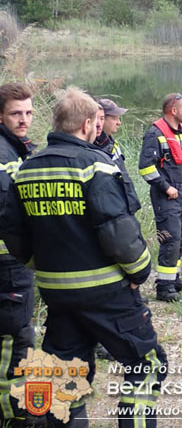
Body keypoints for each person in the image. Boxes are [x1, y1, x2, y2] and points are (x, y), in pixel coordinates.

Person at [0, 86, 166, 428]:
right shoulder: (96, 166)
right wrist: (139, 272)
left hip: (57, 294)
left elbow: (14, 235)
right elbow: (118, 233)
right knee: (148, 365)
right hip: (106, 291)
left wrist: (42, 267)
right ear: (89, 124)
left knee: (64, 378)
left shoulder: (28, 168)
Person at [0, 82, 38, 427]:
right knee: (15, 337)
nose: (24, 120)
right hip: (8, 263)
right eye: (16, 113)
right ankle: (14, 414)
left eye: (28, 112)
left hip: (12, 261)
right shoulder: (3, 155)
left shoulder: (16, 148)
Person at [139, 93, 182, 302]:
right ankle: (164, 287)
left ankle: (174, 279)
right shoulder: (155, 134)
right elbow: (146, 168)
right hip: (167, 198)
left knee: (181, 239)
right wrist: (166, 188)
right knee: (170, 240)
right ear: (174, 110)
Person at [95, 98, 141, 214]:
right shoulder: (93, 147)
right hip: (110, 210)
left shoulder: (110, 143)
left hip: (123, 206)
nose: (119, 123)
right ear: (101, 119)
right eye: (115, 118)